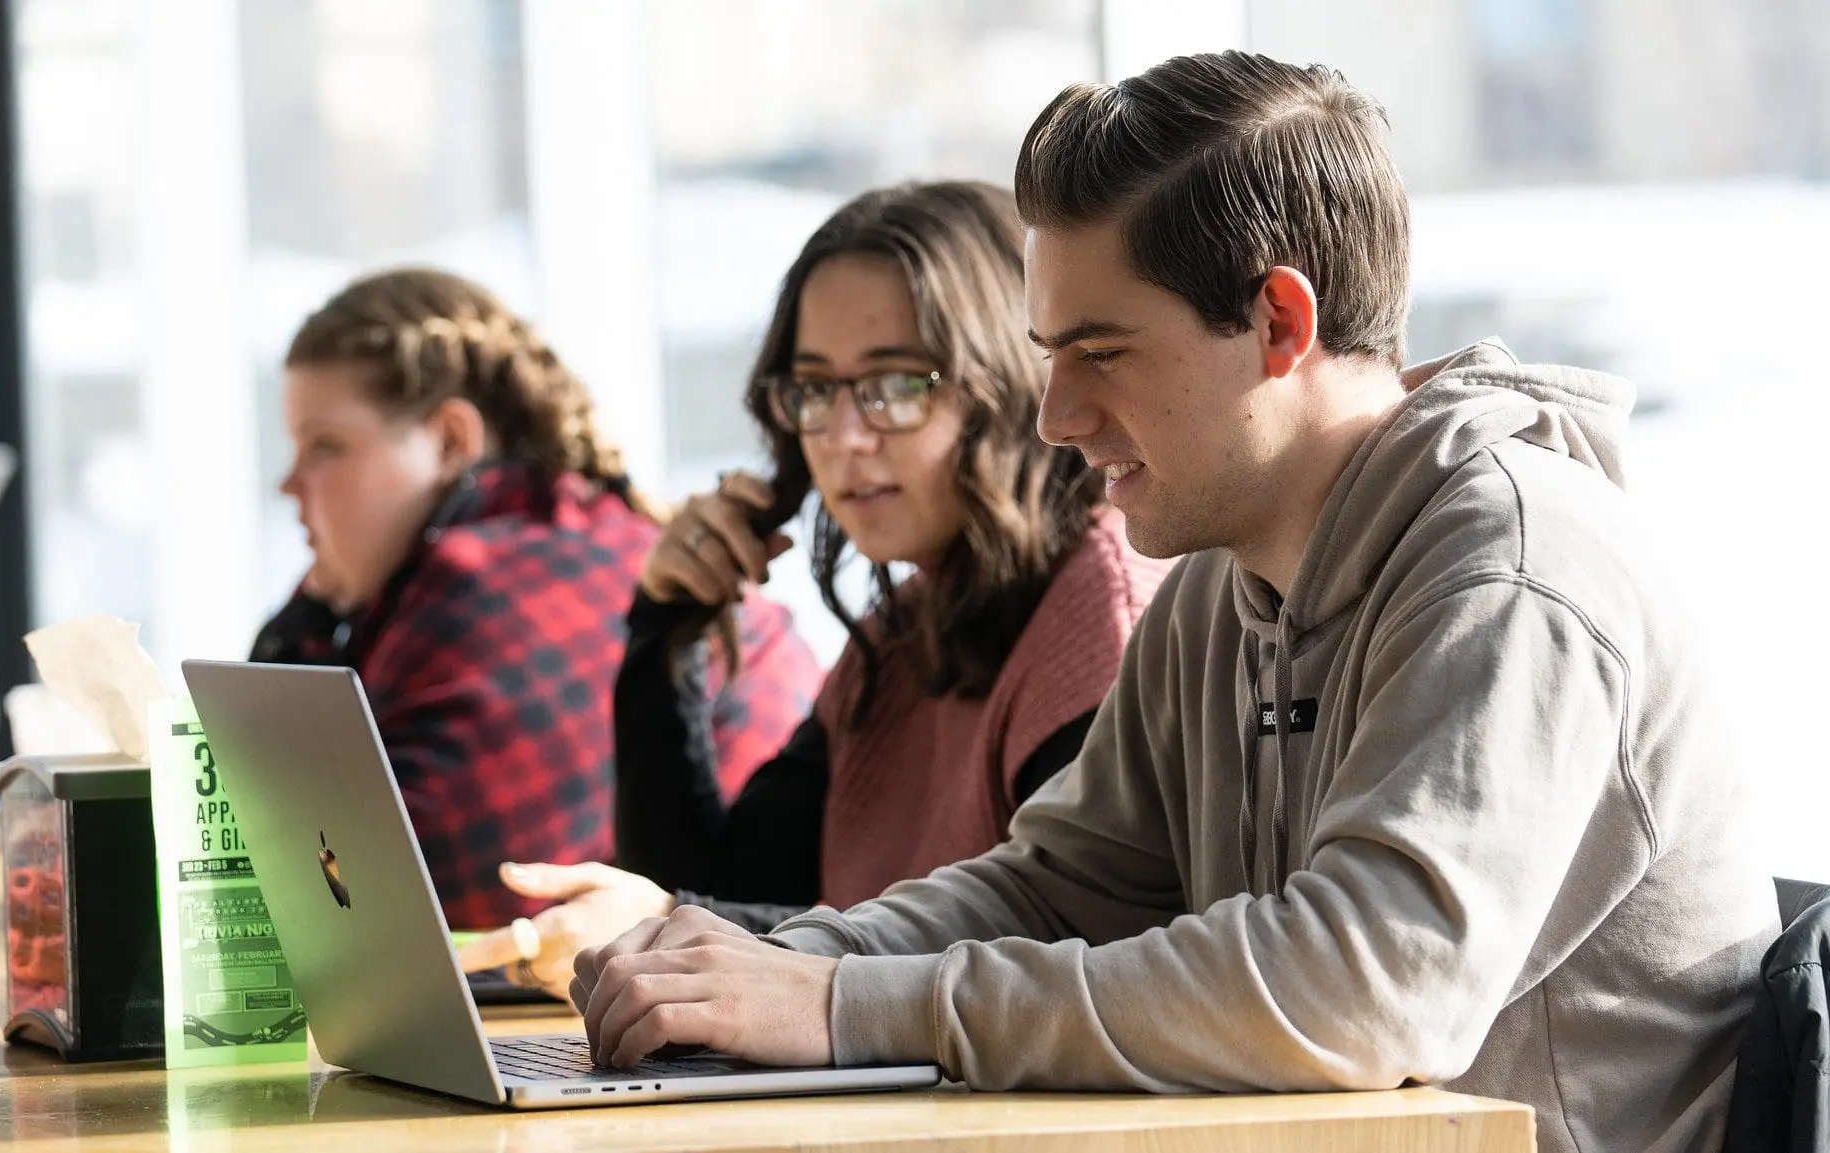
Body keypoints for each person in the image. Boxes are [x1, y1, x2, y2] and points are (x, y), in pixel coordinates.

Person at [567, 53, 1775, 1153]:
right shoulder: (1220, 584)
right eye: (1048, 354)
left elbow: (1361, 988)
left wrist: (842, 1005)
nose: (1054, 417)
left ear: (1278, 323)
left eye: (1101, 352)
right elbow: (1049, 889)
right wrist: (766, 970)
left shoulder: (1512, 571)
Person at [454, 181, 1174, 996]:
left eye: (897, 384)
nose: (843, 437)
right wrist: (668, 630)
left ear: (1011, 382)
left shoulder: (1103, 619)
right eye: (814, 389)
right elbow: (720, 882)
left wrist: (672, 918)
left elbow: (1045, 954)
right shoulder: (906, 629)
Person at [249, 268, 821, 929]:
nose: (290, 484)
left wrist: (298, 633)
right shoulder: (589, 532)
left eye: (325, 446)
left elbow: (366, 903)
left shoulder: (488, 582)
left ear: (450, 440)